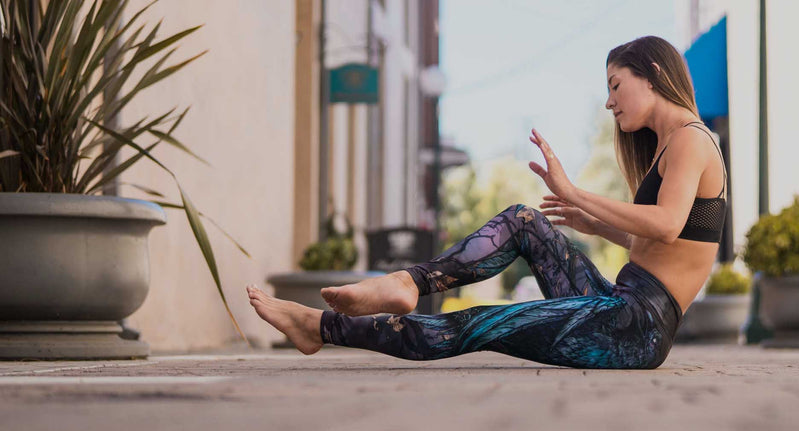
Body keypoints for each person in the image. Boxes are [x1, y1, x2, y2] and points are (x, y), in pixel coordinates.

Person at [247, 35, 728, 369]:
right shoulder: (675, 142)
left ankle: (320, 328)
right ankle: (408, 282)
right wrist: (594, 225)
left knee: (481, 324)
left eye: (615, 84)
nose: (608, 102)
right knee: (524, 220)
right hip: (618, 305)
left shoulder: (690, 138)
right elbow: (667, 243)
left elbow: (665, 225)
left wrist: (576, 192)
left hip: (635, 328)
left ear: (654, 75)